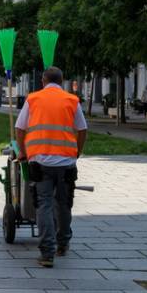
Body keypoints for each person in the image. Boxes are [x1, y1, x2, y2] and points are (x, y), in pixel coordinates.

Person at [15, 67, 88, 268]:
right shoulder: (72, 100)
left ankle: (47, 253)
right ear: (62, 81)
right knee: (64, 204)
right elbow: (82, 130)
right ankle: (63, 243)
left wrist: (23, 152)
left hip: (40, 161)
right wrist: (77, 152)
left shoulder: (33, 99)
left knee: (44, 205)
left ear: (43, 80)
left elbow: (20, 129)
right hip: (66, 162)